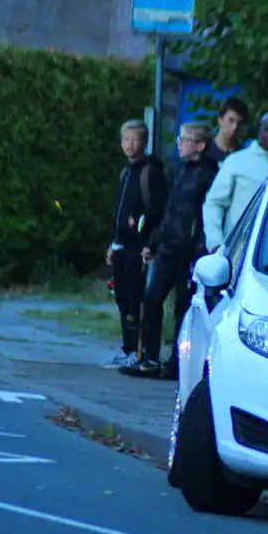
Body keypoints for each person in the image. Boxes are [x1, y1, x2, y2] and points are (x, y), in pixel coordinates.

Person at [128, 123, 220, 378]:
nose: (180, 143)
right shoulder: (181, 171)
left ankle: (178, 363)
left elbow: (205, 218)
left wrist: (200, 252)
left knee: (183, 307)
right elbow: (170, 213)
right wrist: (154, 243)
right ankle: (149, 357)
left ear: (200, 146)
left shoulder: (208, 175)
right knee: (152, 298)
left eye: (185, 139)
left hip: (189, 252)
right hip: (169, 247)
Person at [105, 119, 167, 369]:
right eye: (126, 140)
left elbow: (160, 208)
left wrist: (141, 224)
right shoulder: (126, 171)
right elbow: (118, 211)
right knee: (121, 298)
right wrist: (113, 242)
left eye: (136, 140)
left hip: (138, 247)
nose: (130, 145)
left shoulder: (150, 171)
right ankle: (127, 347)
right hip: (122, 246)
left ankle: (138, 351)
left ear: (145, 142)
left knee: (135, 299)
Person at [203, 111, 268, 252]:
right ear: (259, 131)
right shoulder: (236, 161)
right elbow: (214, 204)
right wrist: (215, 243)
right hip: (236, 252)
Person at [206, 97, 249, 164]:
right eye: (231, 120)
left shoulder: (244, 155)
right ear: (220, 120)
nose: (235, 127)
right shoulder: (204, 151)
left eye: (239, 123)